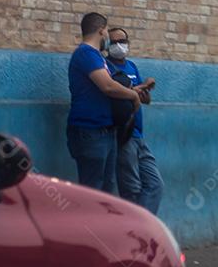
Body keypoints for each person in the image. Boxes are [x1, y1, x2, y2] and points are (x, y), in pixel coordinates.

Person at [66, 12, 140, 193]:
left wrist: (134, 90)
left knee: (107, 189)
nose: (107, 35)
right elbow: (107, 86)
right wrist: (132, 96)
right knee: (93, 190)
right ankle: (85, 223)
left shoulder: (97, 57)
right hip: (90, 132)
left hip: (106, 131)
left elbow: (112, 85)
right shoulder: (85, 53)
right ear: (101, 31)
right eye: (106, 30)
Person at [106, 27, 163, 214]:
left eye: (122, 41)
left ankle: (142, 226)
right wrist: (139, 88)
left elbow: (145, 100)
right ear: (107, 45)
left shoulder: (131, 66)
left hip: (139, 136)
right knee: (131, 189)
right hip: (124, 135)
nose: (119, 46)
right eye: (114, 42)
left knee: (154, 184)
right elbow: (116, 94)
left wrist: (146, 89)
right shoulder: (106, 67)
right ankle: (135, 232)